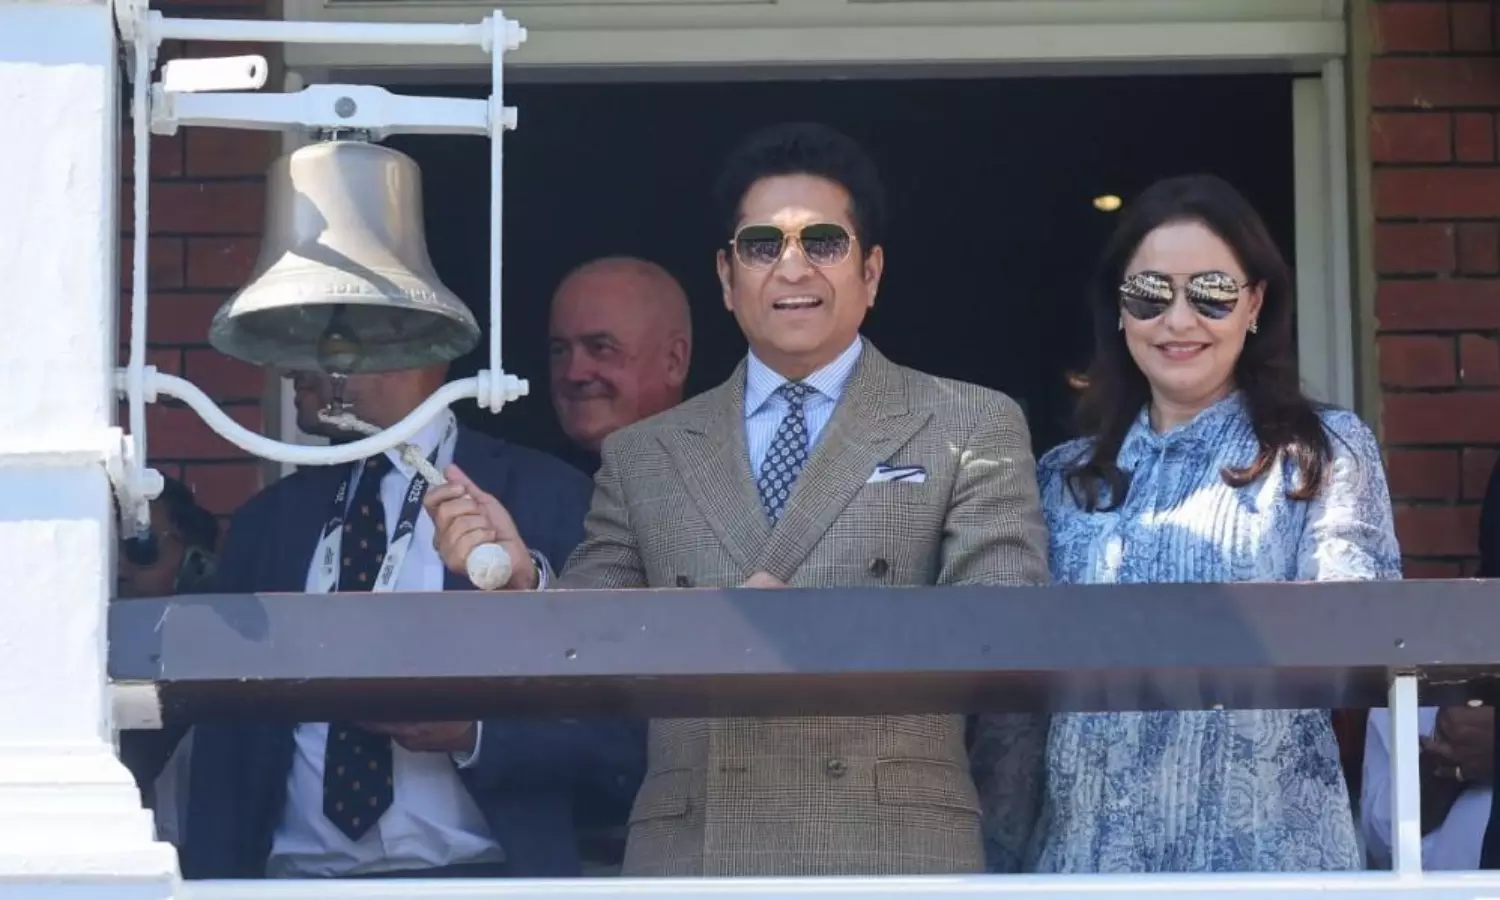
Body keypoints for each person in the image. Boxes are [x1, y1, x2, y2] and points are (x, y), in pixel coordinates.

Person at [424, 121, 1050, 877]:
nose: (792, 268)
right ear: (726, 278)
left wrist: (802, 632)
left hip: (895, 851)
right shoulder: (645, 451)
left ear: (872, 272)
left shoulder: (969, 422)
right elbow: (587, 658)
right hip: (696, 853)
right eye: (762, 245)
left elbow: (1004, 630)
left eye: (823, 242)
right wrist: (522, 578)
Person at [991, 173, 1402, 873]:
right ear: (1119, 312)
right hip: (1086, 867)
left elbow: (1360, 635)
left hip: (1270, 864)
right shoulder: (1063, 476)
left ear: (1254, 305)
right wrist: (995, 859)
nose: (1178, 321)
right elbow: (1019, 708)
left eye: (1210, 291)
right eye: (1149, 294)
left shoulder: (1323, 451)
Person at [132, 362, 645, 881]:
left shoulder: (545, 495)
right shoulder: (265, 523)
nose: (294, 365)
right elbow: (225, 754)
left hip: (483, 878)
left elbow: (622, 734)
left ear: (412, 346)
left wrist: (475, 735)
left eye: (330, 335)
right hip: (293, 881)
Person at [115, 476, 219, 849]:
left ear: (197, 563)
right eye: (107, 552)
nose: (120, 570)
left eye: (140, 549)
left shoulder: (228, 682)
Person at [549, 255, 692, 469]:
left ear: (674, 361)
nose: (573, 373)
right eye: (560, 350)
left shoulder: (732, 487)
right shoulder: (515, 487)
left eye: (600, 348)